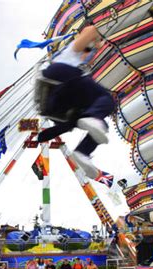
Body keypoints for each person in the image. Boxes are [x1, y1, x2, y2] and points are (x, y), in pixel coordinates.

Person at [36, 25, 116, 180]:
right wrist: (96, 35)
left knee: (101, 125)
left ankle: (82, 152)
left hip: (59, 104)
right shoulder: (72, 50)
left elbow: (86, 51)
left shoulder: (78, 56)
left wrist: (95, 46)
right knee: (107, 100)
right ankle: (88, 120)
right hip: (61, 78)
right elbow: (90, 30)